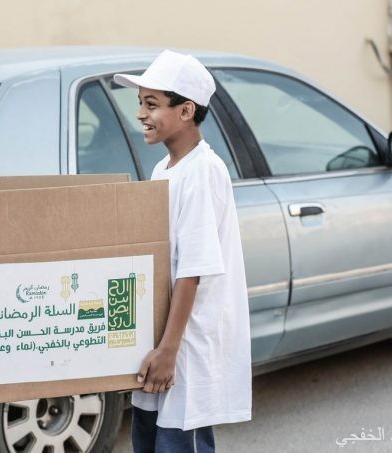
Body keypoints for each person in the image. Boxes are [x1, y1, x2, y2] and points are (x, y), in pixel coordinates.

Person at [114, 50, 252, 453]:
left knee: (179, 440)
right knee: (149, 439)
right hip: (162, 343)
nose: (140, 113)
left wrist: (169, 351)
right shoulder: (164, 170)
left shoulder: (203, 171)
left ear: (187, 110)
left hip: (186, 347)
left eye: (151, 104)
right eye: (140, 102)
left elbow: (192, 271)